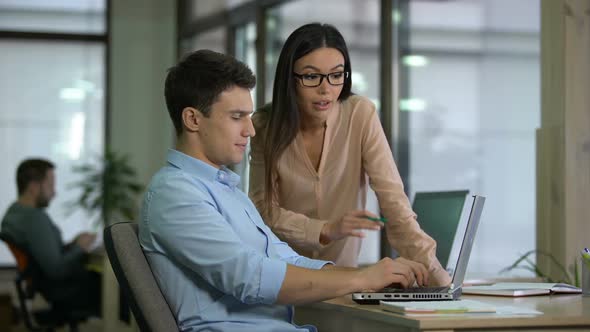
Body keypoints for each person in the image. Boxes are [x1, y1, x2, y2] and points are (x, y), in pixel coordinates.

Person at [140, 49, 428, 331]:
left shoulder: (228, 191)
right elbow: (250, 277)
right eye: (237, 116)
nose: (250, 131)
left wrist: (372, 276)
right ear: (192, 119)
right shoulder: (175, 194)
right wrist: (361, 281)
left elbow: (286, 259)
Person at [248, 23, 451, 286]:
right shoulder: (264, 125)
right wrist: (325, 229)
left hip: (342, 279)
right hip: (282, 278)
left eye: (336, 75)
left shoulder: (359, 114)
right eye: (311, 77)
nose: (326, 89)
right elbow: (263, 211)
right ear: (290, 79)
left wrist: (436, 275)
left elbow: (393, 200)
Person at [0, 159, 101, 315]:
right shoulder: (33, 218)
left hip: (47, 287)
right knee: (117, 285)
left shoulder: (12, 214)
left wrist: (74, 244)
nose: (54, 192)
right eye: (51, 185)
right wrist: (80, 247)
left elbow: (43, 253)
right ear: (34, 187)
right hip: (64, 289)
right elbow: (56, 269)